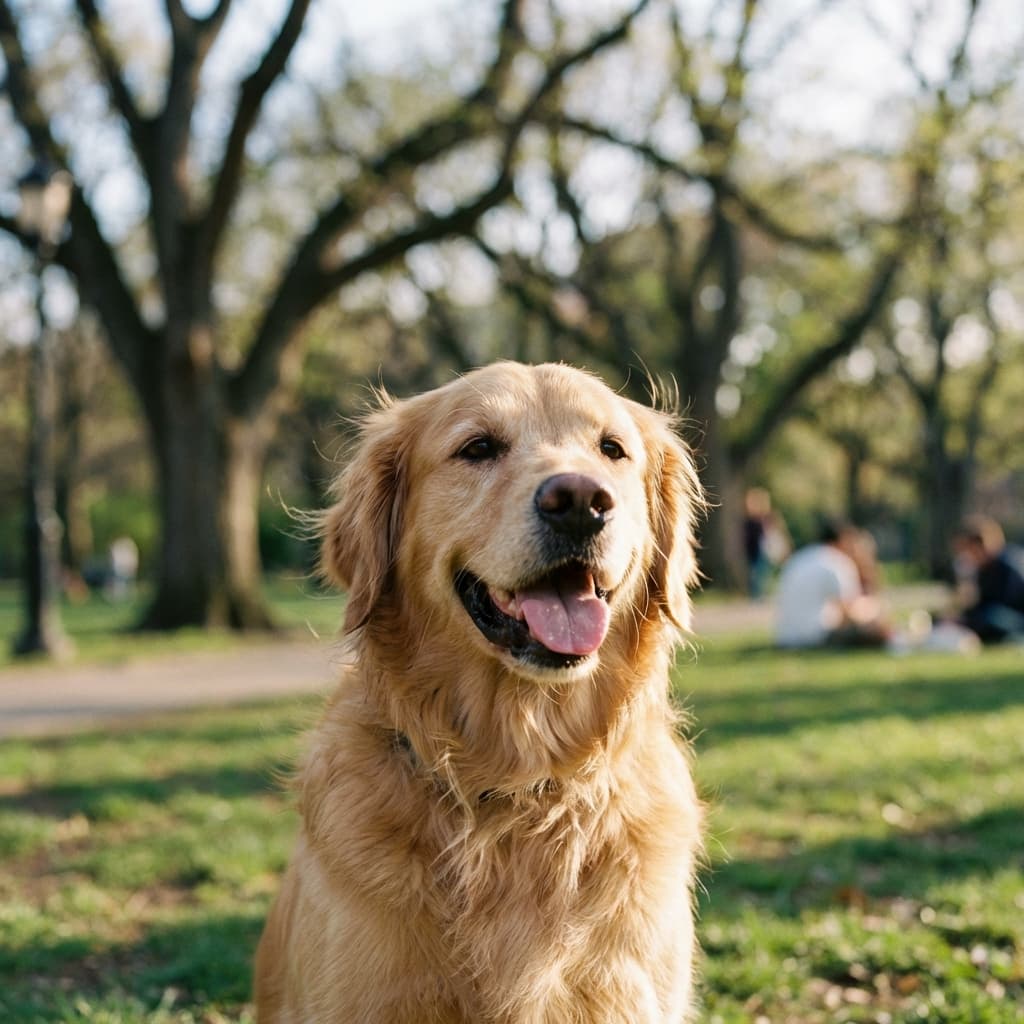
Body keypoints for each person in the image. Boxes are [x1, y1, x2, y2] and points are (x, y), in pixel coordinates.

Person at [775, 520, 890, 648]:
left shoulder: (798, 559)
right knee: (874, 624)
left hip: (786, 637)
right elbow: (850, 612)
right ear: (841, 540)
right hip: (816, 637)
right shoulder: (838, 562)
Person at [950, 516, 1024, 644]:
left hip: (1016, 619)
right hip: (998, 615)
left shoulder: (1009, 564)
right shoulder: (984, 569)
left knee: (986, 616)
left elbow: (1002, 603)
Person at [742, 487, 790, 599]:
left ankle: (761, 594)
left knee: (761, 573)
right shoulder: (749, 521)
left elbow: (775, 533)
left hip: (764, 550)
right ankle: (758, 594)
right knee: (757, 574)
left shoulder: (766, 519)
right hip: (753, 550)